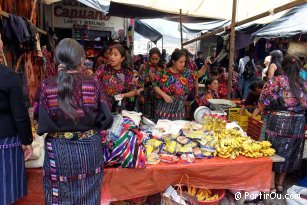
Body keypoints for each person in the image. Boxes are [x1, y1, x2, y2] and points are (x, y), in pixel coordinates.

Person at [33, 38, 113, 204]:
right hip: (90, 150)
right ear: (81, 60)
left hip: (58, 152)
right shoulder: (93, 83)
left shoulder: (47, 85)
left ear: (58, 60)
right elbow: (106, 116)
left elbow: (37, 115)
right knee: (89, 195)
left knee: (59, 197)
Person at [258, 55, 306, 193]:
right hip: (298, 123)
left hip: (278, 122)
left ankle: (271, 186)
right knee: (289, 152)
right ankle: (280, 184)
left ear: (282, 67)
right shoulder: (304, 84)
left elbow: (263, 103)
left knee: (272, 151)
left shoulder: (274, 82)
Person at [0, 34, 33, 205]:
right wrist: (27, 140)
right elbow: (19, 114)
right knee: (5, 191)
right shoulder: (8, 76)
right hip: (5, 141)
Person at [153, 50, 209, 121]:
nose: (183, 64)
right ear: (173, 61)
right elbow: (155, 85)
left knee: (177, 129)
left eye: (184, 62)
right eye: (180, 62)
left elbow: (198, 74)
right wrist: (164, 95)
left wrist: (205, 66)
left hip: (179, 110)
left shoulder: (185, 72)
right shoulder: (163, 72)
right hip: (164, 110)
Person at [95, 45, 142, 113]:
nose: (112, 57)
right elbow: (93, 83)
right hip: (103, 108)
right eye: (111, 54)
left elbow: (134, 91)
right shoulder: (103, 69)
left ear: (122, 58)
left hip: (120, 109)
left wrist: (123, 95)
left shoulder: (127, 73)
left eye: (115, 55)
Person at [138, 47, 164, 120]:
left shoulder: (162, 67)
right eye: (152, 58)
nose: (154, 61)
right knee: (146, 116)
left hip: (158, 95)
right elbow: (140, 82)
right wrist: (141, 96)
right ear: (149, 57)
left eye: (156, 59)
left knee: (157, 116)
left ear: (159, 58)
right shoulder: (144, 67)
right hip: (146, 94)